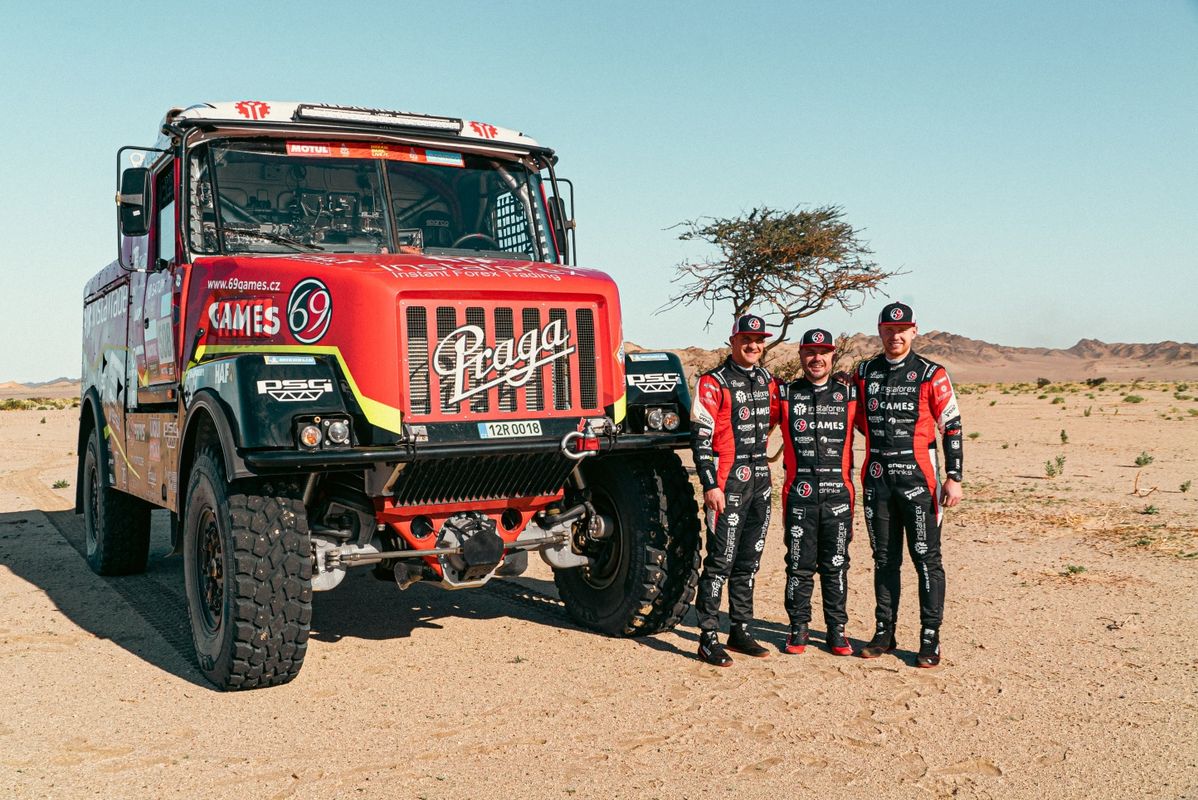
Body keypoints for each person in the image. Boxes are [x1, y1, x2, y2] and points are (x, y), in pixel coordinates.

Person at [854, 301, 963, 668]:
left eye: (902, 330)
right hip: (877, 479)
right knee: (884, 558)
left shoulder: (932, 373)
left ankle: (930, 638)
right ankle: (884, 632)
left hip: (920, 480)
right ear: (880, 331)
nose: (895, 336)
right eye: (889, 330)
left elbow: (952, 425)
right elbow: (856, 417)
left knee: (926, 559)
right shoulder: (864, 372)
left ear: (914, 331)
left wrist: (954, 477)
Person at [690, 314, 780, 666]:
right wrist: (710, 484)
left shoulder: (767, 380)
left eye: (758, 340)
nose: (753, 345)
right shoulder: (713, 382)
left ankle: (740, 630)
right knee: (720, 561)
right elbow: (700, 438)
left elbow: (777, 416)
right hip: (726, 480)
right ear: (733, 341)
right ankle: (708, 637)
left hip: (760, 479)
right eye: (746, 339)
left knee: (748, 562)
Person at [777, 328, 857, 656]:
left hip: (839, 496)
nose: (817, 358)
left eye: (823, 352)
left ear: (833, 355)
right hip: (799, 495)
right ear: (800, 355)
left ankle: (837, 630)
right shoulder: (785, 394)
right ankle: (798, 627)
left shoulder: (849, 394)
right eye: (810, 352)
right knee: (798, 565)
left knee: (836, 565)